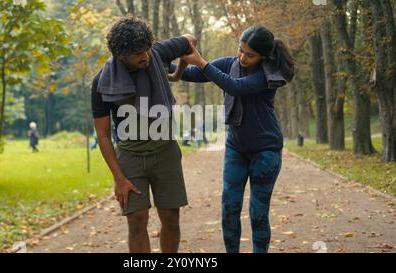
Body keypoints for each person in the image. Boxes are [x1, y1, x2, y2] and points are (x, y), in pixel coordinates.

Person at [169, 25, 295, 253]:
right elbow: (192, 73)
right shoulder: (230, 63)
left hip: (266, 151)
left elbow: (235, 87)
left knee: (258, 213)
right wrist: (157, 58)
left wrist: (203, 62)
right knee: (229, 209)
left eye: (250, 54)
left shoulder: (267, 75)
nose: (243, 57)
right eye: (241, 50)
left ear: (263, 56)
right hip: (236, 147)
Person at [91, 16, 197, 253]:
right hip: (131, 156)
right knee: (136, 220)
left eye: (147, 49)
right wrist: (119, 178)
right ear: (121, 54)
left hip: (165, 151)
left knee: (171, 218)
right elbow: (103, 134)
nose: (146, 56)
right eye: (138, 53)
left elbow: (190, 41)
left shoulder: (157, 52)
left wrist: (178, 72)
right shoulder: (102, 82)